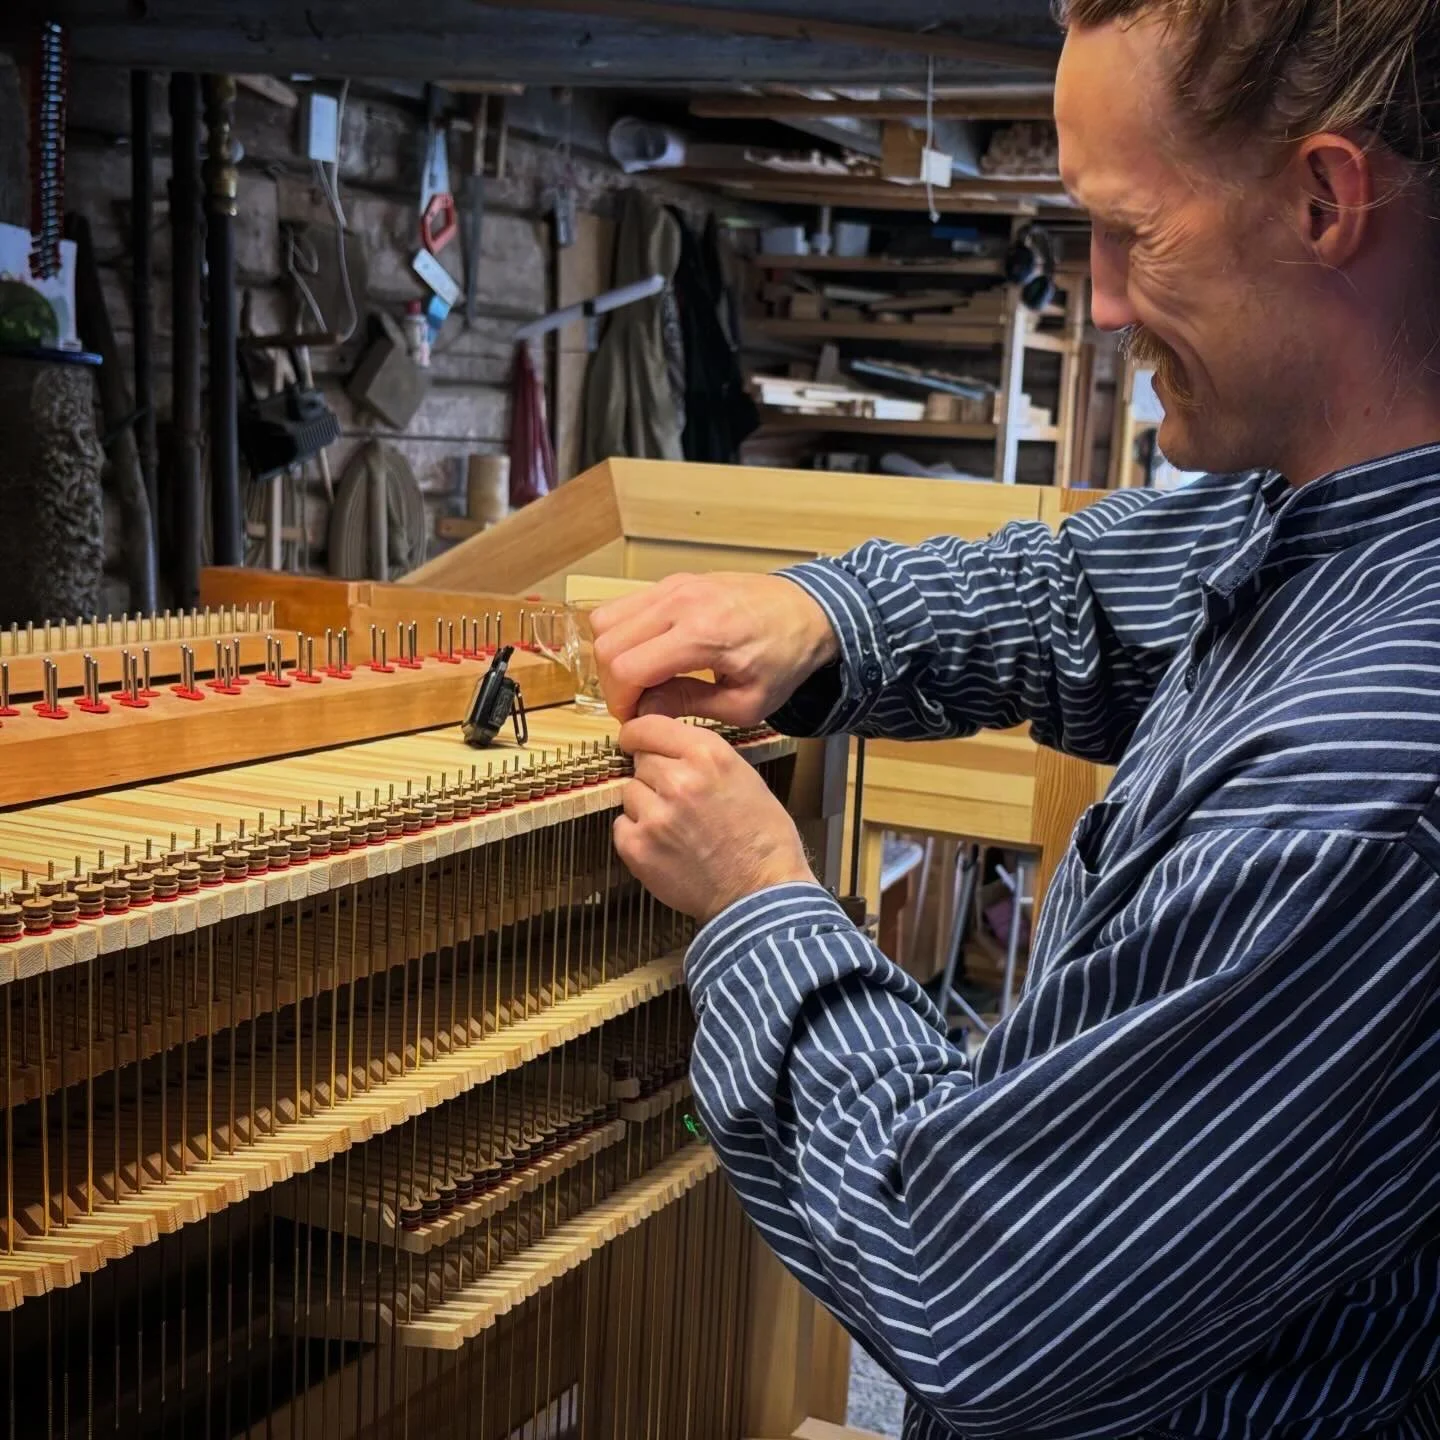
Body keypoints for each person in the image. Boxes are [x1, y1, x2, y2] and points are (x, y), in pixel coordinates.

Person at [592, 2, 1440, 1436]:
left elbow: (978, 1294)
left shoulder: (1360, 795)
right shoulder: (1331, 519)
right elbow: (1091, 592)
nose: (1100, 301)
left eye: (1132, 231)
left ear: (1324, 198)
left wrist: (760, 906)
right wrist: (822, 623)